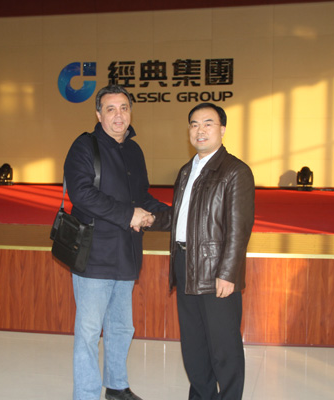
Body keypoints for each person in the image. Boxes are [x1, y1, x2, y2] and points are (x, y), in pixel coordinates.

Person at [64, 84, 168, 400]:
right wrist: (129, 214)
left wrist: (170, 215)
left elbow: (141, 198)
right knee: (88, 332)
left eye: (124, 108)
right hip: (94, 256)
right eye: (110, 109)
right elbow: (81, 194)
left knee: (121, 327)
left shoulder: (134, 151)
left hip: (127, 254)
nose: (118, 115)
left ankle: (117, 387)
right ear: (99, 114)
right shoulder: (85, 147)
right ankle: (86, 395)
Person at [145, 103, 255, 399]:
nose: (200, 130)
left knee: (224, 347)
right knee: (193, 345)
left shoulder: (235, 171)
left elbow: (239, 229)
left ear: (222, 129)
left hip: (215, 269)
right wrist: (150, 219)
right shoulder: (187, 170)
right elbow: (182, 217)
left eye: (208, 123)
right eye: (194, 124)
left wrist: (228, 273)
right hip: (185, 263)